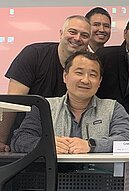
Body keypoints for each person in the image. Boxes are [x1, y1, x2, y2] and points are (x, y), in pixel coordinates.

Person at [10, 51, 129, 153]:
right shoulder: (44, 106)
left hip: (101, 179)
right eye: (79, 73)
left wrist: (91, 145)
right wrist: (45, 145)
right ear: (65, 76)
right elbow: (19, 140)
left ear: (100, 81)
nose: (85, 80)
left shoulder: (113, 108)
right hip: (50, 177)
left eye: (93, 75)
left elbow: (126, 140)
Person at [1, 15, 91, 152]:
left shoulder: (89, 66)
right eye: (72, 32)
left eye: (84, 35)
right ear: (61, 34)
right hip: (24, 140)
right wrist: (1, 140)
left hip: (67, 145)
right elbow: (12, 103)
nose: (77, 38)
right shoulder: (33, 55)